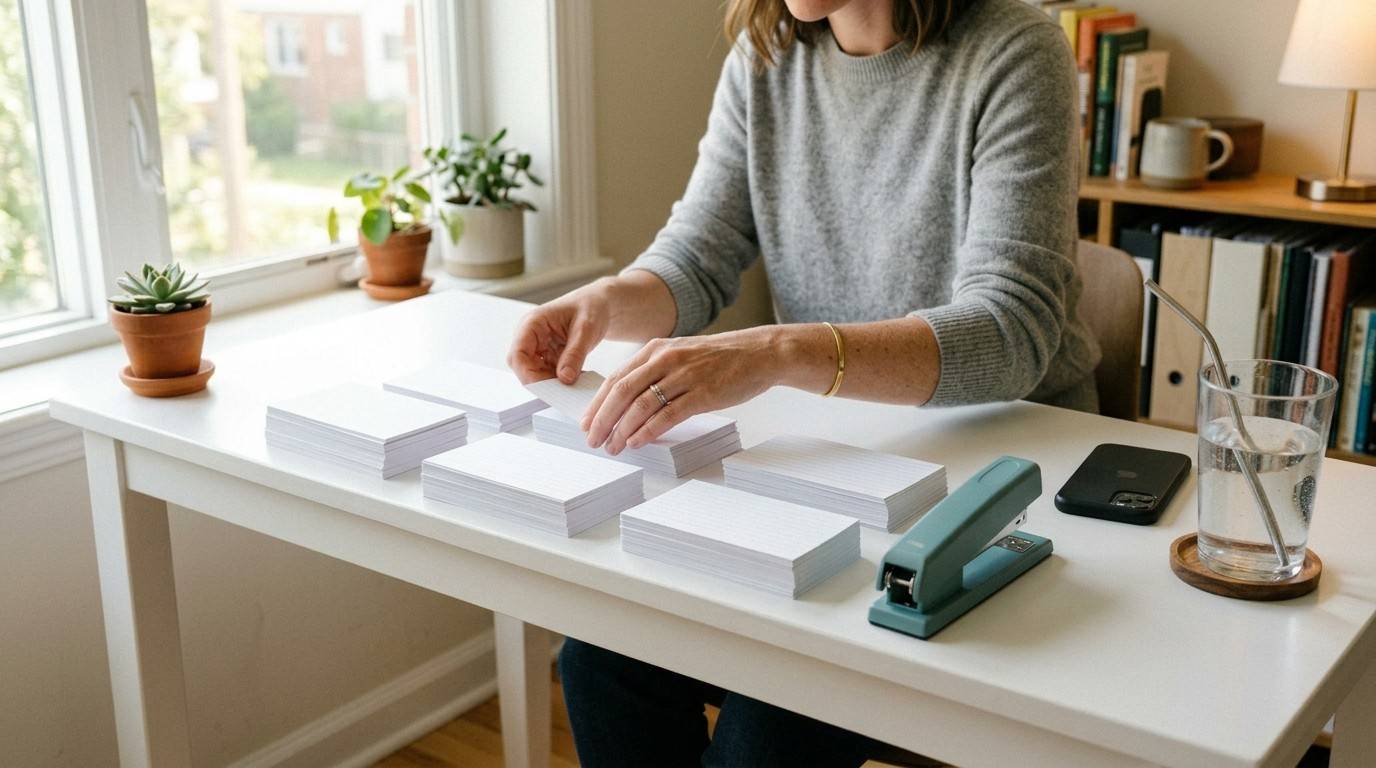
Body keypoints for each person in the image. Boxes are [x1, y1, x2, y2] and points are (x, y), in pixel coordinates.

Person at [507, 0, 1099, 763]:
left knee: (768, 731)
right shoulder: (766, 57)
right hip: (835, 461)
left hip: (1003, 471)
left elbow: (1013, 331)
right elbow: (698, 253)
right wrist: (603, 301)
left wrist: (776, 352)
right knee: (599, 661)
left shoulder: (1016, 49)